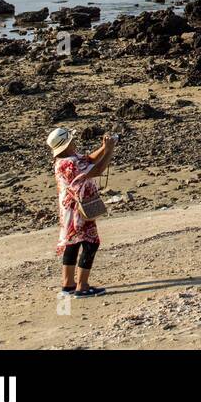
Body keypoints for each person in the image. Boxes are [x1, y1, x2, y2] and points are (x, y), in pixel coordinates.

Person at [47, 126, 116, 296]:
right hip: (78, 208)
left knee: (72, 243)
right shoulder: (70, 163)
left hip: (68, 209)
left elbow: (89, 159)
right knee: (91, 243)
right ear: (68, 143)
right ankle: (82, 286)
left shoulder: (65, 159)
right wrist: (109, 151)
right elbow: (97, 170)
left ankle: (68, 284)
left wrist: (104, 147)